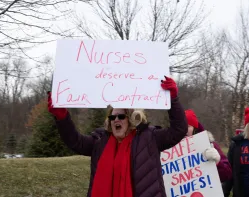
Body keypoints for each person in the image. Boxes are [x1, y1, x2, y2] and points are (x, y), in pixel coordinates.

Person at [47, 76, 188, 197]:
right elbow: (75, 142)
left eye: (121, 116)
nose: (116, 120)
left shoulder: (149, 138)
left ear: (131, 118)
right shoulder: (100, 141)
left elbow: (179, 130)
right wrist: (62, 117)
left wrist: (173, 100)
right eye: (112, 117)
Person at [184, 109, 232, 182]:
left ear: (195, 128)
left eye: (187, 126)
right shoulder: (169, 150)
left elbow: (227, 175)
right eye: (180, 126)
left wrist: (218, 163)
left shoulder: (210, 145)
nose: (183, 129)